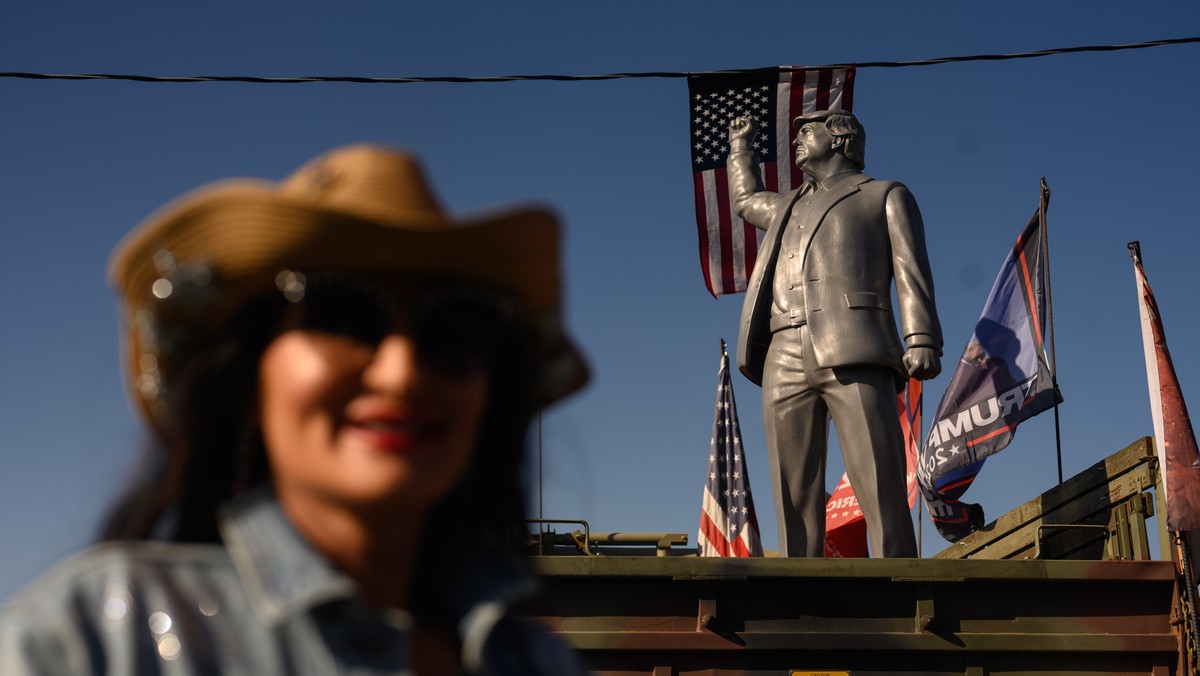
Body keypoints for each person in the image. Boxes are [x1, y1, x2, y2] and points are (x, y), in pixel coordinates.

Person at [0, 144, 590, 674]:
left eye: (456, 328)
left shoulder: (536, 663)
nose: (402, 372)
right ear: (247, 370)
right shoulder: (91, 641)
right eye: (338, 317)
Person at [727, 110, 942, 558]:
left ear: (840, 139)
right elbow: (746, 201)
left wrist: (921, 338)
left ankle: (896, 577)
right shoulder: (786, 205)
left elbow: (910, 271)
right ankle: (800, 588)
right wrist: (740, 148)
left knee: (878, 475)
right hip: (782, 349)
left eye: (808, 131)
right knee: (792, 487)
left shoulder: (884, 194)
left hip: (855, 345)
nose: (798, 139)